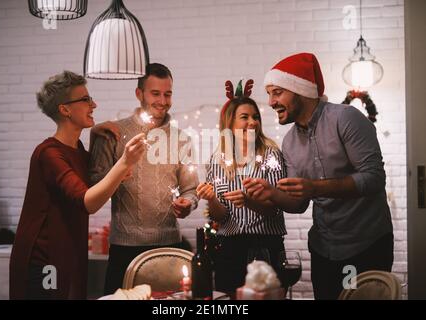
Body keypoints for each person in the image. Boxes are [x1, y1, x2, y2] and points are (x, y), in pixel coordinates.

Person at [244, 53, 394, 299]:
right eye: (269, 93)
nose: (270, 102)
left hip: (366, 245)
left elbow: (374, 178)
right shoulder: (290, 141)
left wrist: (315, 187)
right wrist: (271, 193)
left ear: (300, 91)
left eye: (277, 92)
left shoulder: (345, 118)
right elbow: (299, 203)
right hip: (324, 250)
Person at [10, 71, 146, 300]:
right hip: (45, 260)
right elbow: (88, 202)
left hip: (67, 254)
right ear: (65, 109)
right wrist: (123, 163)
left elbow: (94, 183)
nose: (94, 104)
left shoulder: (78, 150)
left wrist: (94, 135)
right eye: (85, 99)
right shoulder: (48, 154)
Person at [89, 63, 199, 295]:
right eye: (155, 93)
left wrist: (188, 203)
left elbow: (191, 190)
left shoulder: (182, 140)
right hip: (124, 248)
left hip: (169, 247)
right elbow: (95, 187)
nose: (162, 100)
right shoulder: (113, 134)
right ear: (139, 94)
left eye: (167, 94)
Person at [196, 80, 304, 294]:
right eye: (244, 117)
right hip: (229, 250)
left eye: (255, 117)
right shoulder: (218, 160)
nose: (252, 122)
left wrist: (248, 201)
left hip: (266, 247)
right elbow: (220, 217)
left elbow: (275, 207)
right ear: (230, 124)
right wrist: (211, 199)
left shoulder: (271, 155)